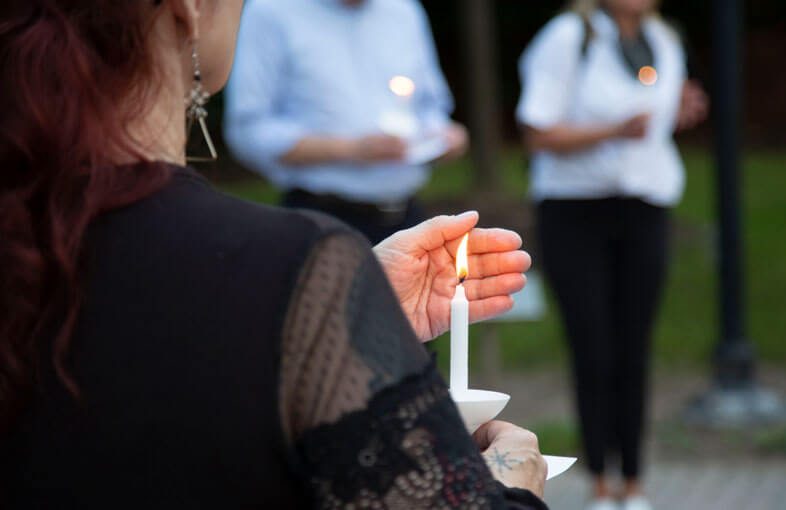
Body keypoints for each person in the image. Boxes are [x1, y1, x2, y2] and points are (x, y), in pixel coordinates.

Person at [0, 1, 548, 507]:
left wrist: (331, 327)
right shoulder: (287, 264)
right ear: (189, 8)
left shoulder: (34, 227)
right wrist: (509, 479)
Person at [516, 1, 708, 509]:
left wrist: (678, 110)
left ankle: (636, 480)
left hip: (644, 208)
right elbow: (537, 132)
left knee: (634, 347)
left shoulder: (664, 40)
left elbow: (654, 119)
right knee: (594, 349)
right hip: (574, 212)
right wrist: (612, 131)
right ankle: (600, 481)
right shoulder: (566, 36)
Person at [223, 0, 469, 245]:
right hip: (321, 222)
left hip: (407, 218)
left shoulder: (404, 11)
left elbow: (430, 107)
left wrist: (440, 138)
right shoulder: (270, 11)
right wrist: (350, 150)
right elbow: (249, 130)